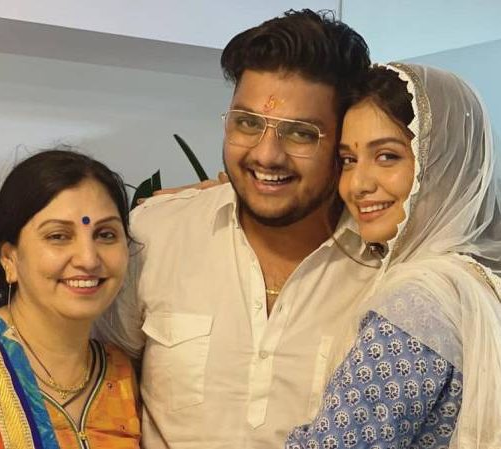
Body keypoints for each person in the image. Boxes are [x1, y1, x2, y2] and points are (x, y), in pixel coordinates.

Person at [96, 9, 377, 449]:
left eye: (301, 134)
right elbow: (96, 381)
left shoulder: (386, 270)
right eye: (247, 123)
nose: (266, 155)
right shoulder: (155, 235)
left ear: (344, 143)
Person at [285, 63, 501, 447]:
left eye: (387, 156)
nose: (357, 184)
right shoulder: (480, 284)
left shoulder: (418, 302)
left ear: (442, 164)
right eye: (348, 160)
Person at [0, 149, 141, 448]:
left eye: (105, 234)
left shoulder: (119, 372)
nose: (88, 259)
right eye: (58, 236)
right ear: (9, 258)